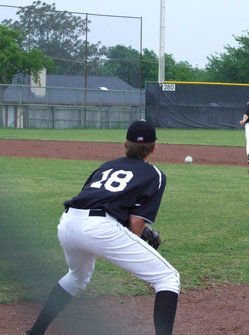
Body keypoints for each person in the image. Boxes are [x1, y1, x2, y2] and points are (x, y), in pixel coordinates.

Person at [24, 120, 180, 335]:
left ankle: (34, 333)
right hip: (100, 228)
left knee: (76, 278)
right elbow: (135, 223)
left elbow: (90, 198)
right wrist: (136, 235)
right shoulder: (155, 174)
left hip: (68, 222)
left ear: (125, 145)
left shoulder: (106, 166)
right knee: (167, 278)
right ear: (154, 148)